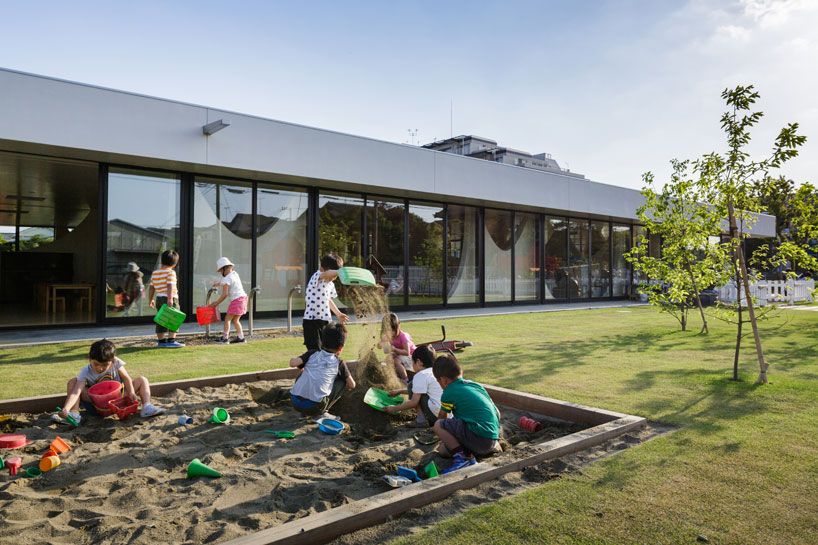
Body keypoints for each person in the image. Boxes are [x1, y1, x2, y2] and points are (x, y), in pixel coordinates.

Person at [51, 339, 165, 425]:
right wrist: (66, 408)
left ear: (113, 360)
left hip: (118, 401)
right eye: (96, 364)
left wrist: (131, 392)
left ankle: (146, 407)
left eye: (105, 365)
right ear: (89, 359)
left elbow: (126, 378)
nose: (100, 368)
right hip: (97, 406)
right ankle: (74, 414)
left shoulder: (116, 363)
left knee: (142, 380)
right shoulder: (85, 371)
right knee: (73, 382)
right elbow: (76, 392)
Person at [432, 355, 502, 471]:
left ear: (443, 379)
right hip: (492, 438)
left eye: (438, 381)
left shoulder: (449, 392)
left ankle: (463, 459)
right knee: (443, 450)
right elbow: (497, 413)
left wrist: (438, 432)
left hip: (478, 439)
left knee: (438, 426)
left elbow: (441, 418)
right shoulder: (476, 386)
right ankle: (488, 448)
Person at [289, 323, 355, 422]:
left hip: (296, 403)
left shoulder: (312, 353)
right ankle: (322, 412)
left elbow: (293, 363)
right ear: (341, 347)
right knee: (342, 382)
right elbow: (352, 384)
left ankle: (303, 414)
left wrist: (297, 362)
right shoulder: (338, 362)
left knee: (303, 373)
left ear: (322, 342)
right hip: (315, 406)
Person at [385, 344, 443, 428]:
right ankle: (425, 419)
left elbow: (413, 402)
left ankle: (421, 420)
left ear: (419, 362)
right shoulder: (435, 371)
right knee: (413, 387)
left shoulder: (421, 375)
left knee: (412, 385)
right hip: (446, 415)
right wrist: (400, 391)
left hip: (436, 415)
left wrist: (394, 408)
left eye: (412, 361)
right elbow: (420, 390)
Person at [302, 253, 349, 351]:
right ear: (321, 269)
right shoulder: (317, 276)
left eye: (335, 276)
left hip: (326, 321)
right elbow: (326, 274)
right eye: (332, 274)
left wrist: (338, 313)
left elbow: (328, 300)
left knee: (327, 349)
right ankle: (310, 364)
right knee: (314, 349)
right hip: (311, 321)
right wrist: (339, 272)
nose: (332, 277)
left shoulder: (330, 284)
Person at [148, 250, 184, 348]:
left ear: (161, 261)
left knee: (161, 319)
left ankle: (161, 341)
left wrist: (150, 300)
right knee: (175, 318)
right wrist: (170, 299)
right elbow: (170, 286)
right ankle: (171, 340)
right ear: (175, 263)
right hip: (170, 298)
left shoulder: (155, 273)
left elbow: (151, 288)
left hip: (159, 298)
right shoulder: (171, 272)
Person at [209, 257, 248, 344]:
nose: (219, 272)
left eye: (220, 271)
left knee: (227, 319)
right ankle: (241, 338)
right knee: (236, 320)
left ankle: (225, 338)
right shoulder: (234, 274)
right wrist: (218, 284)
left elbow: (225, 294)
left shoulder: (226, 279)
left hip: (237, 300)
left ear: (224, 269)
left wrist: (216, 303)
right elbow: (227, 281)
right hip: (243, 299)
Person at [378, 312, 416, 383]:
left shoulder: (403, 336)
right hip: (399, 354)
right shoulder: (389, 335)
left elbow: (407, 352)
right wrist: (381, 343)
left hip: (412, 356)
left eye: (390, 331)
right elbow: (379, 346)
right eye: (386, 331)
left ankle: (405, 379)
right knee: (388, 358)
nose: (388, 333)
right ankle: (392, 376)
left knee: (396, 361)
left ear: (396, 328)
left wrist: (395, 349)